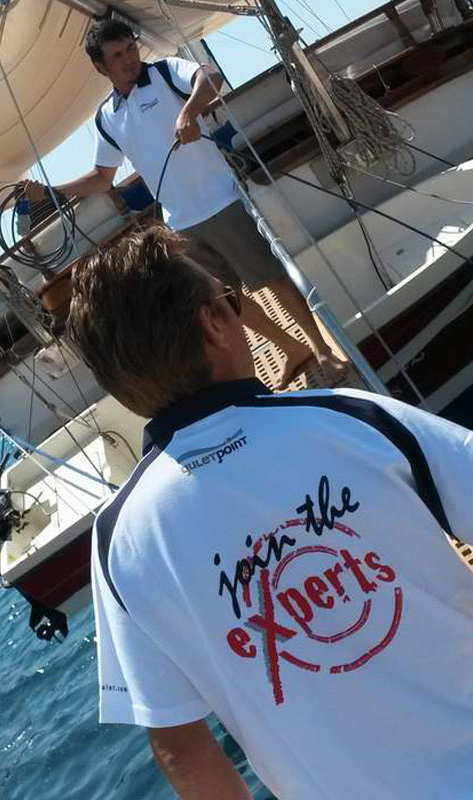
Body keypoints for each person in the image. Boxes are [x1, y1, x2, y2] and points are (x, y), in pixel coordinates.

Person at [66, 224, 473, 800]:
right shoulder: (349, 417)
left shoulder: (120, 538)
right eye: (231, 302)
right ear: (213, 324)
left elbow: (182, 747)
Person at [26, 18, 346, 388]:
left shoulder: (164, 73)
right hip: (180, 223)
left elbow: (210, 76)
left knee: (269, 277)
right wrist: (50, 193)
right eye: (117, 55)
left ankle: (322, 349)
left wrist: (189, 111)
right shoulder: (107, 118)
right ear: (101, 67)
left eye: (130, 48)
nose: (129, 59)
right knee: (224, 301)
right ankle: (292, 348)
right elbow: (101, 178)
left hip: (221, 201)